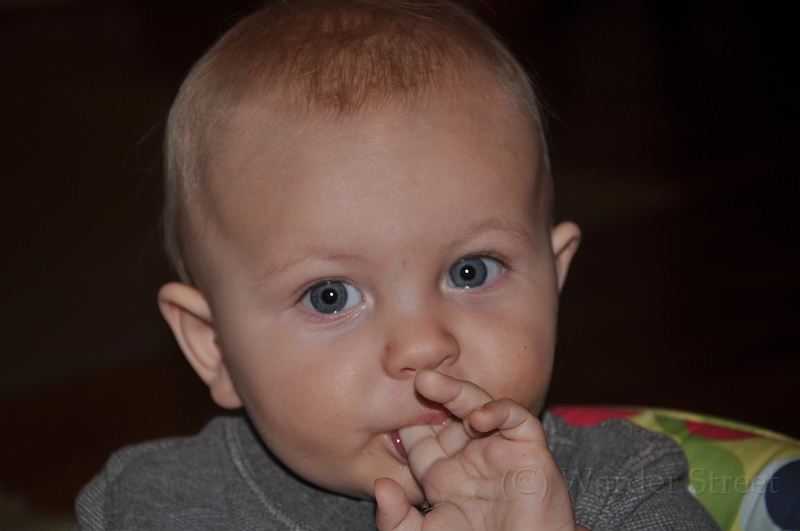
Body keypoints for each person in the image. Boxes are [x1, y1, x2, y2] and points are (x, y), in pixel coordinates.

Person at [74, 1, 719, 529]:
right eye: (330, 295)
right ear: (213, 344)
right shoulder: (149, 505)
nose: (423, 346)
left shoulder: (619, 486)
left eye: (471, 271)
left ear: (554, 278)